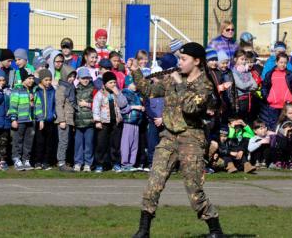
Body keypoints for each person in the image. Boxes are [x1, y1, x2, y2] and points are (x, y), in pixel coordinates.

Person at [130, 42, 224, 238]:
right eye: (179, 58)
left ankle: (215, 230)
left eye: (183, 59)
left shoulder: (204, 84)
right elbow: (148, 90)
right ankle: (143, 230)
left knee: (194, 190)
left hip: (191, 138)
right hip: (168, 137)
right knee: (153, 184)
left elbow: (191, 108)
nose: (179, 62)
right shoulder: (173, 78)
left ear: (197, 61)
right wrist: (136, 71)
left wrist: (179, 83)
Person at [93, 71, 127, 173]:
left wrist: (118, 93)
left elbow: (123, 104)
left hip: (116, 122)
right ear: (104, 84)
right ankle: (99, 164)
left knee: (115, 144)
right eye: (110, 83)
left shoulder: (118, 93)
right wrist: (97, 121)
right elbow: (95, 108)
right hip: (103, 122)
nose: (113, 85)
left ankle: (116, 163)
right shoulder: (100, 94)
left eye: (114, 82)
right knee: (101, 144)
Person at [8, 68, 36, 171]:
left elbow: (35, 106)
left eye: (32, 78)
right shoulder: (17, 89)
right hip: (20, 120)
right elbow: (13, 105)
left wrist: (32, 103)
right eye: (29, 78)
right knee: (17, 141)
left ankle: (26, 160)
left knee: (28, 142)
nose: (31, 80)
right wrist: (13, 119)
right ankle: (17, 160)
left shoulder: (33, 90)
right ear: (24, 79)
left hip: (30, 120)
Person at [261, 53, 292, 130]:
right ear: (276, 62)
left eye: (285, 63)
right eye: (281, 62)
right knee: (274, 128)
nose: (283, 65)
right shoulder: (270, 74)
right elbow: (264, 87)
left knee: (287, 127)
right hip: (273, 106)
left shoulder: (290, 74)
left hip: (287, 106)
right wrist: (267, 98)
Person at [33, 69, 56, 171]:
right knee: (39, 142)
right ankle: (38, 161)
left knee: (49, 143)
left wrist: (54, 114)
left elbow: (55, 103)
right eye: (46, 80)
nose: (48, 82)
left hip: (50, 120)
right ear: (41, 80)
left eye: (50, 80)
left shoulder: (52, 90)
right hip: (39, 121)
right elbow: (35, 105)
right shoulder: (36, 90)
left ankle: (46, 162)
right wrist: (39, 118)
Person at [55, 65, 77, 172]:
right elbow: (59, 105)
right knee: (63, 141)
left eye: (73, 76)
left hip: (70, 118)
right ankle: (61, 162)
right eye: (70, 76)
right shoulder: (62, 88)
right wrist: (62, 120)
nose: (72, 78)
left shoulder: (71, 87)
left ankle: (65, 161)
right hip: (64, 119)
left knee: (67, 141)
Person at [120, 76, 144, 172]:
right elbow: (123, 108)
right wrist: (135, 107)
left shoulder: (136, 94)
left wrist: (141, 108)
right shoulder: (125, 93)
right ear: (128, 83)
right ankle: (124, 163)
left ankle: (131, 163)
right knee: (126, 143)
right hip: (128, 122)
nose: (136, 86)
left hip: (136, 122)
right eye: (134, 84)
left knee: (134, 144)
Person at [231, 50, 257, 121]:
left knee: (248, 120)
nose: (244, 61)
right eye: (242, 59)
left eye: (245, 59)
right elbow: (241, 85)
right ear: (235, 59)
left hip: (249, 99)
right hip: (240, 101)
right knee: (240, 120)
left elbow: (255, 85)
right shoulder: (233, 72)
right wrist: (250, 84)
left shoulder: (247, 71)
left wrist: (249, 85)